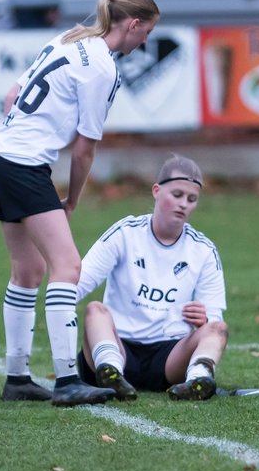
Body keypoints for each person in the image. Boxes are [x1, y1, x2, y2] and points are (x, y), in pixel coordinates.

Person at [0, 0, 160, 406]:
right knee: (68, 266)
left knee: (27, 270)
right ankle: (67, 381)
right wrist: (72, 198)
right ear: (132, 24)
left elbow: (12, 94)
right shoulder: (103, 68)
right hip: (24, 164)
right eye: (146, 32)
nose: (146, 42)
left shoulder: (71, 37)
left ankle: (17, 378)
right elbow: (84, 148)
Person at [74, 155, 228, 401]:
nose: (183, 204)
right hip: (119, 344)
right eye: (177, 195)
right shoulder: (125, 234)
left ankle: (199, 379)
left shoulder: (203, 250)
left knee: (218, 329)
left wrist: (205, 317)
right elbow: (77, 284)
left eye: (191, 199)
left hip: (169, 358)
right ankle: (111, 372)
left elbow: (214, 318)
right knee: (95, 310)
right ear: (156, 191)